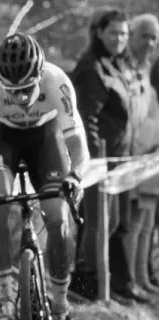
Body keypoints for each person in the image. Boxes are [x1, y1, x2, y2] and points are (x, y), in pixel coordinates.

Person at [0, 33, 89, 320]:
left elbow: (79, 148)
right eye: (13, 92)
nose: (21, 99)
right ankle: (5, 297)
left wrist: (75, 176)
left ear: (40, 75)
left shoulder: (58, 82)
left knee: (57, 217)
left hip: (45, 140)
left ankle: (60, 308)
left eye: (28, 89)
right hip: (2, 140)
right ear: (1, 84)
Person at [70, 9, 149, 304]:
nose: (120, 39)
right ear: (99, 32)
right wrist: (93, 160)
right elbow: (86, 117)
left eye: (124, 33)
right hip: (97, 161)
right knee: (96, 223)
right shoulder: (91, 68)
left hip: (118, 159)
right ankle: (85, 284)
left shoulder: (115, 65)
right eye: (114, 32)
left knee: (111, 223)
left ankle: (103, 286)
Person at [126, 14, 159, 295]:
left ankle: (143, 277)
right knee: (134, 222)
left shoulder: (146, 67)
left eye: (154, 37)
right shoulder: (128, 67)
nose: (150, 42)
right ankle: (133, 280)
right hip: (137, 155)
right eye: (144, 35)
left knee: (147, 221)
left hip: (151, 156)